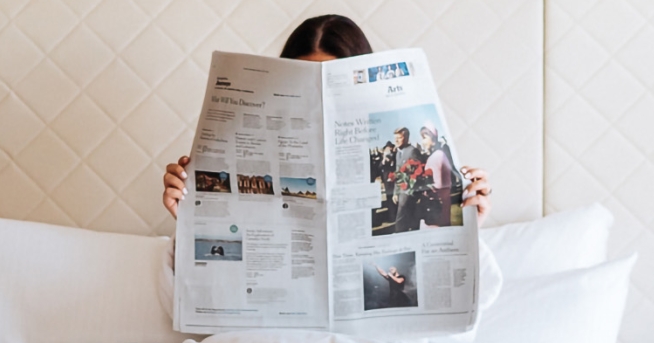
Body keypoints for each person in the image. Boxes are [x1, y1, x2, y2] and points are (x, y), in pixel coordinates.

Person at [162, 14, 492, 224]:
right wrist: (189, 219)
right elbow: (186, 307)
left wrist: (470, 223)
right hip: (269, 334)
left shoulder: (393, 152)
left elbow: (472, 308)